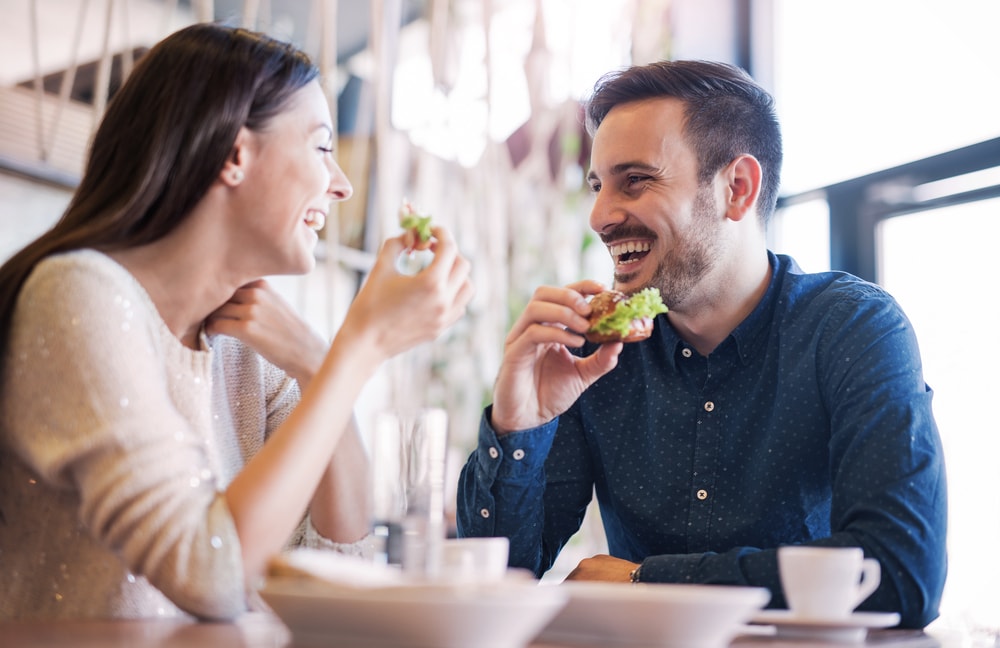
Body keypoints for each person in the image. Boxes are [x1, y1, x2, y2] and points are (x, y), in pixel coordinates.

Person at [0, 23, 473, 621]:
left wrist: (319, 361)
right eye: (322, 146)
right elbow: (212, 574)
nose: (342, 185)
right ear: (234, 154)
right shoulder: (76, 294)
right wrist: (360, 348)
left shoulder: (247, 350)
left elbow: (341, 566)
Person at [456, 59, 946, 629]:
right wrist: (520, 424)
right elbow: (494, 582)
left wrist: (648, 581)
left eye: (634, 180)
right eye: (597, 185)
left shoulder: (852, 329)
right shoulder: (592, 354)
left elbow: (903, 574)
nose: (600, 216)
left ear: (736, 189)